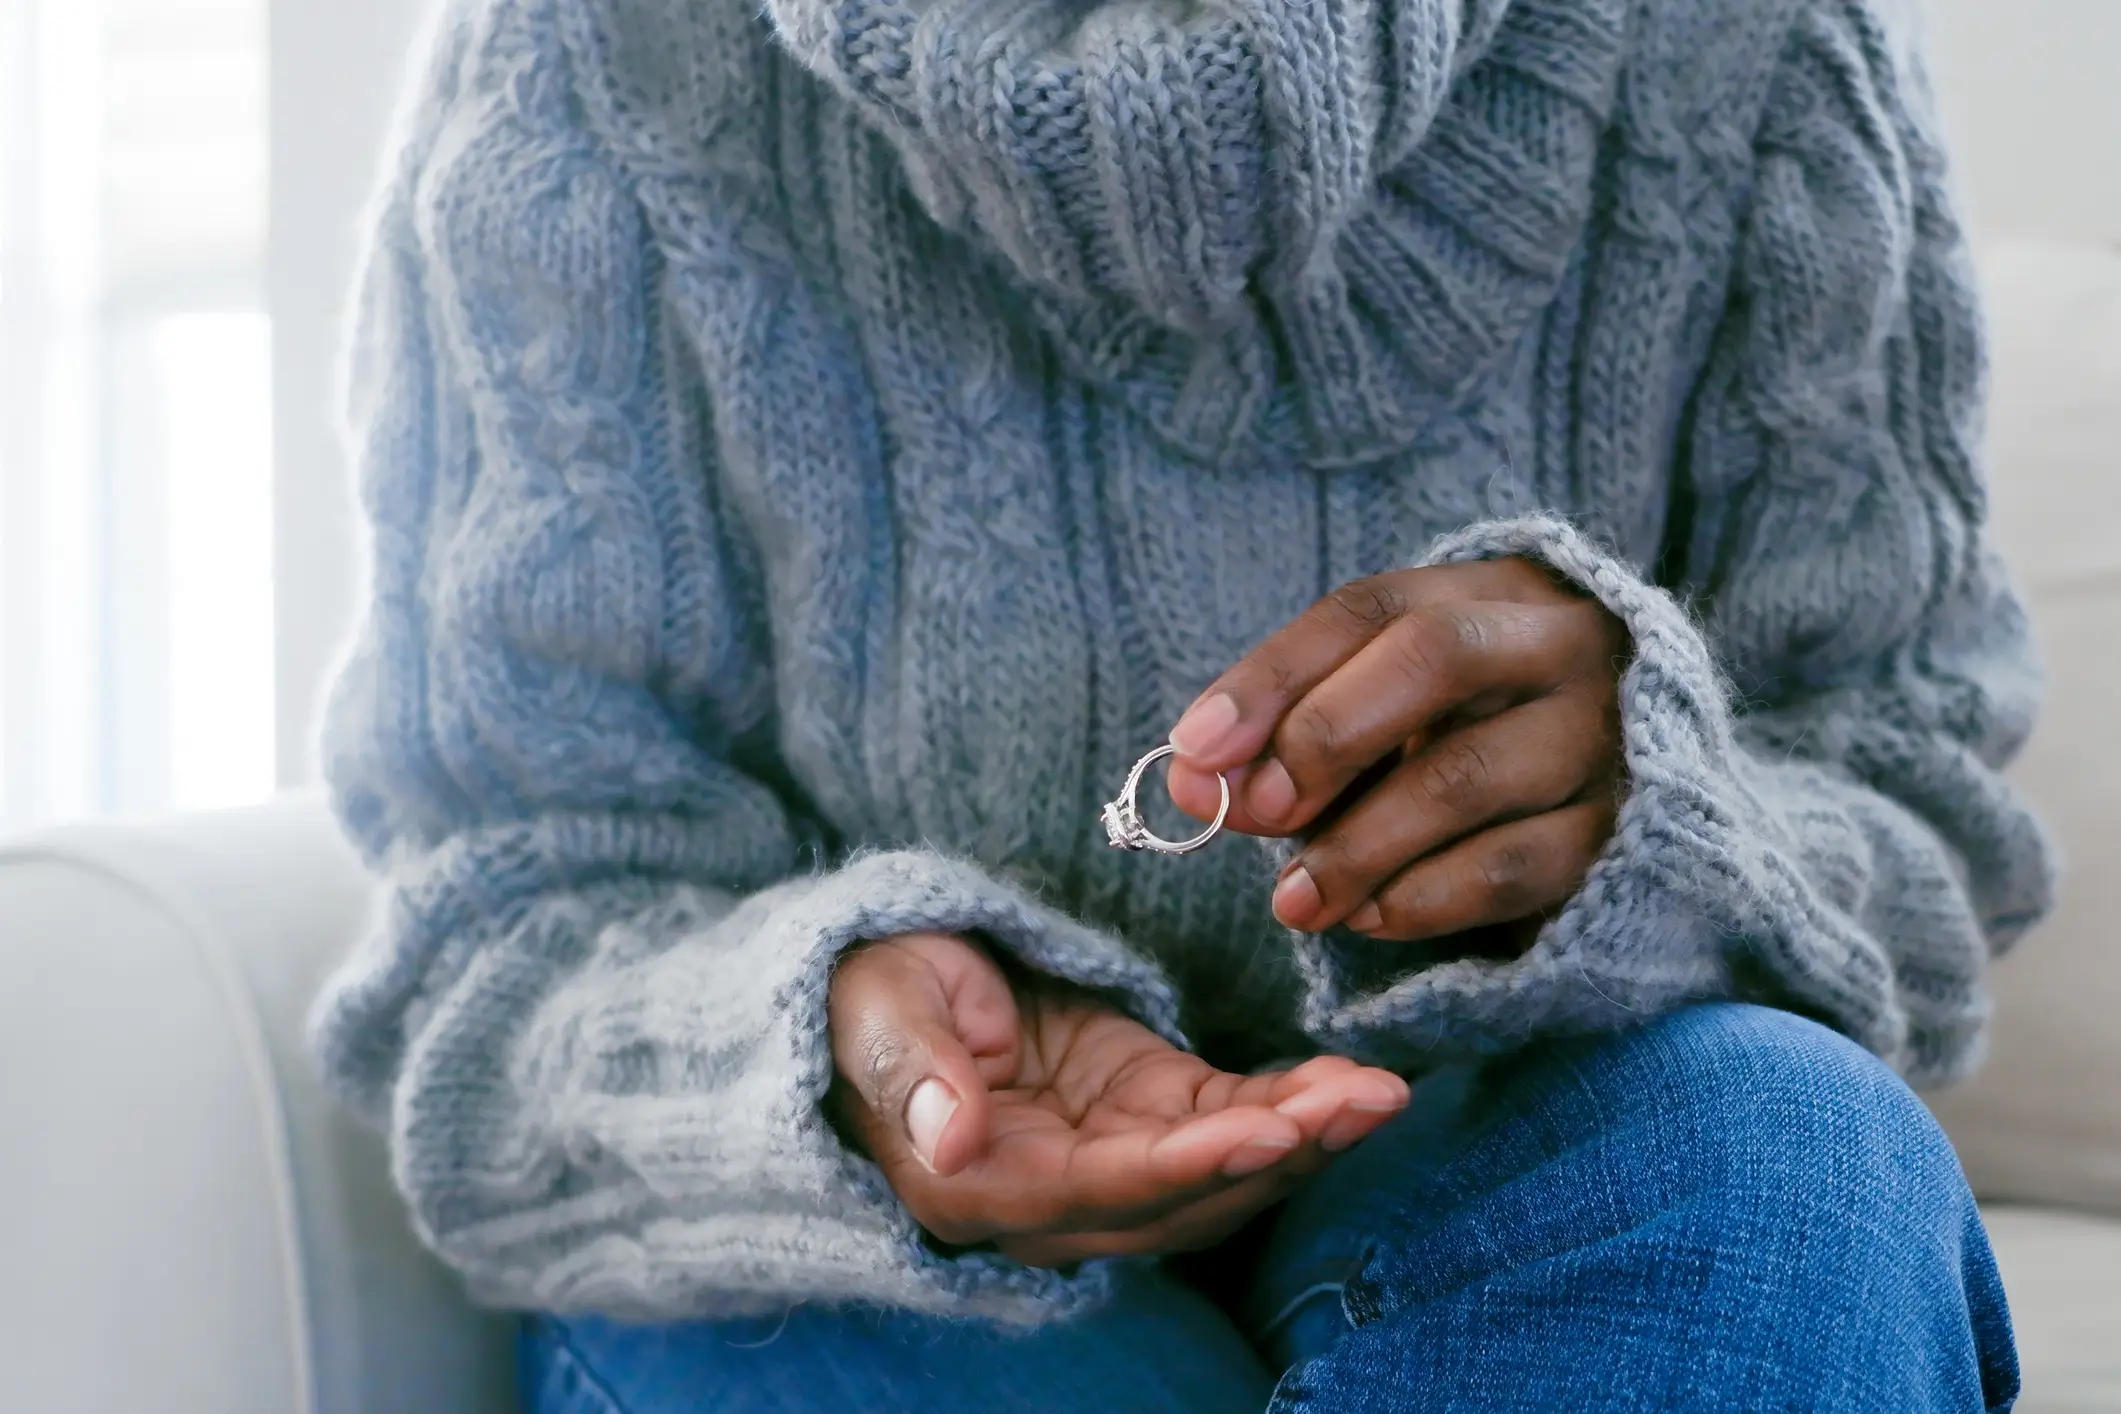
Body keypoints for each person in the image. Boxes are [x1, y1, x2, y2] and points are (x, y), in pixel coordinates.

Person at [309, 0, 2053, 1405]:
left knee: (1794, 1165)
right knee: (768, 1294)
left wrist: (1672, 822)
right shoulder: (587, 64)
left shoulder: (1752, 47)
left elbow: (1916, 818)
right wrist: (821, 1060)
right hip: (848, 1270)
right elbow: (495, 939)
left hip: (1536, 1165)